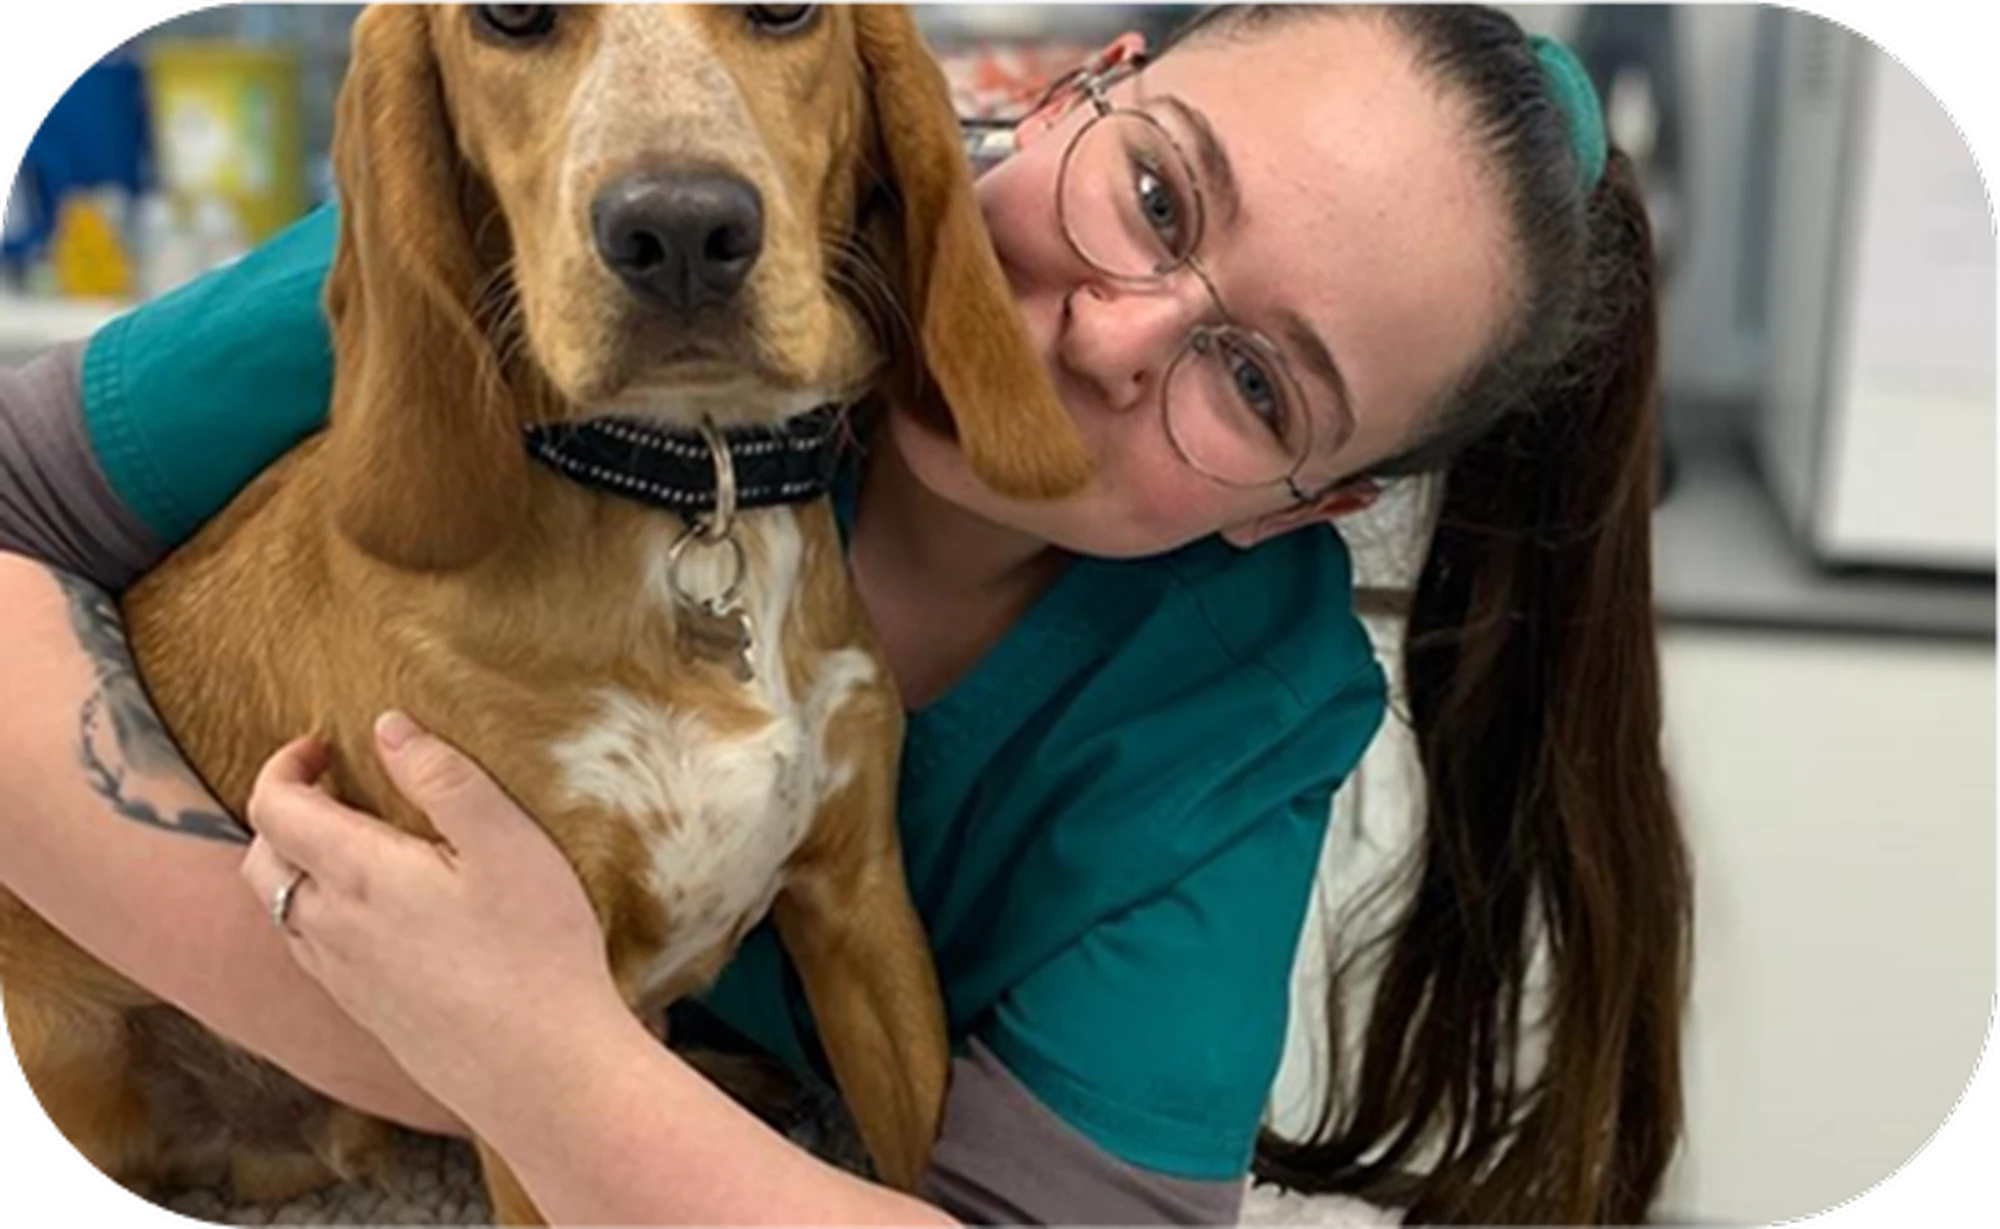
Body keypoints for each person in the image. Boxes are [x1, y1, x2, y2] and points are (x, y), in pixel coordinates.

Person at [0, 1, 1693, 1226]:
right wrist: (332, 1001)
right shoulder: (600, 214)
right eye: (1158, 198)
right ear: (1068, 88)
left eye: (1255, 384)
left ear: (1306, 511)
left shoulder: (1236, 708)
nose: (1110, 337)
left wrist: (536, 1055)